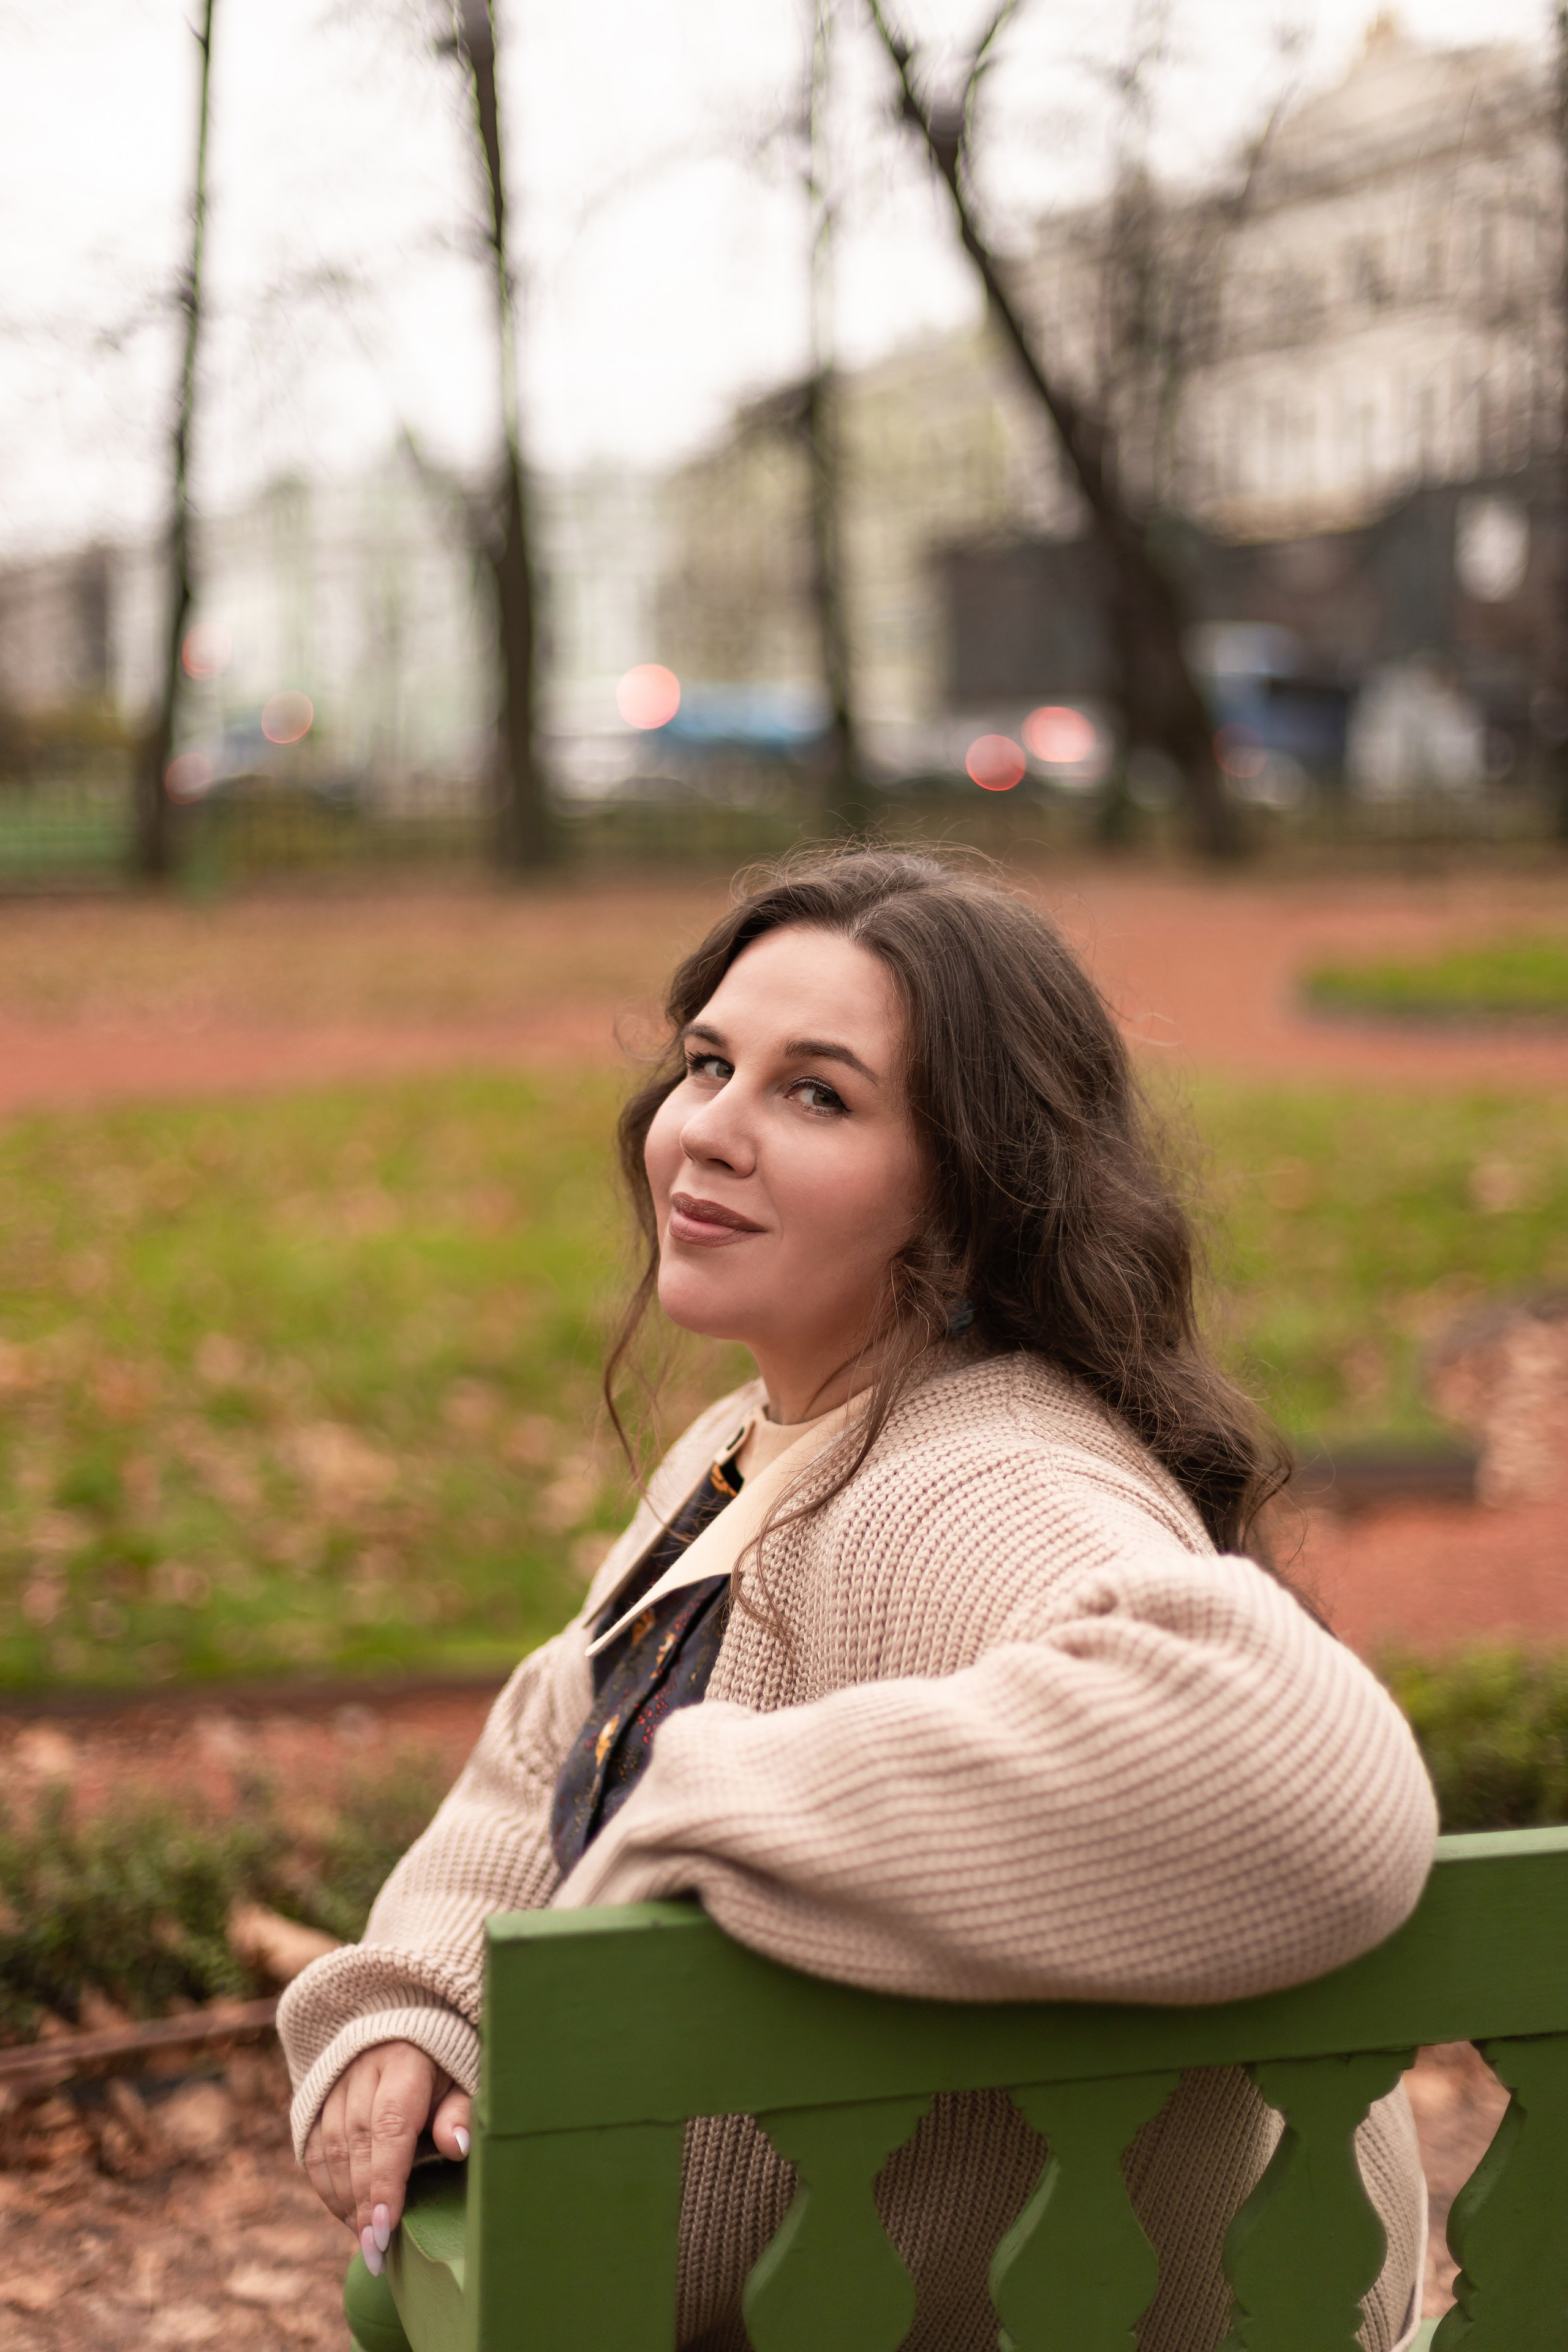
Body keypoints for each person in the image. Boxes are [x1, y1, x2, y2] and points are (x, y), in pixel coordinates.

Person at [280, 849, 1437, 2351]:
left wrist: (681, 1808)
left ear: (967, 1186)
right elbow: (547, 1750)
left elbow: (1305, 1776)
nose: (707, 1133)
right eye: (709, 1063)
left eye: (813, 1095)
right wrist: (418, 1999)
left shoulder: (962, 1484)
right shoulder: (750, 1445)